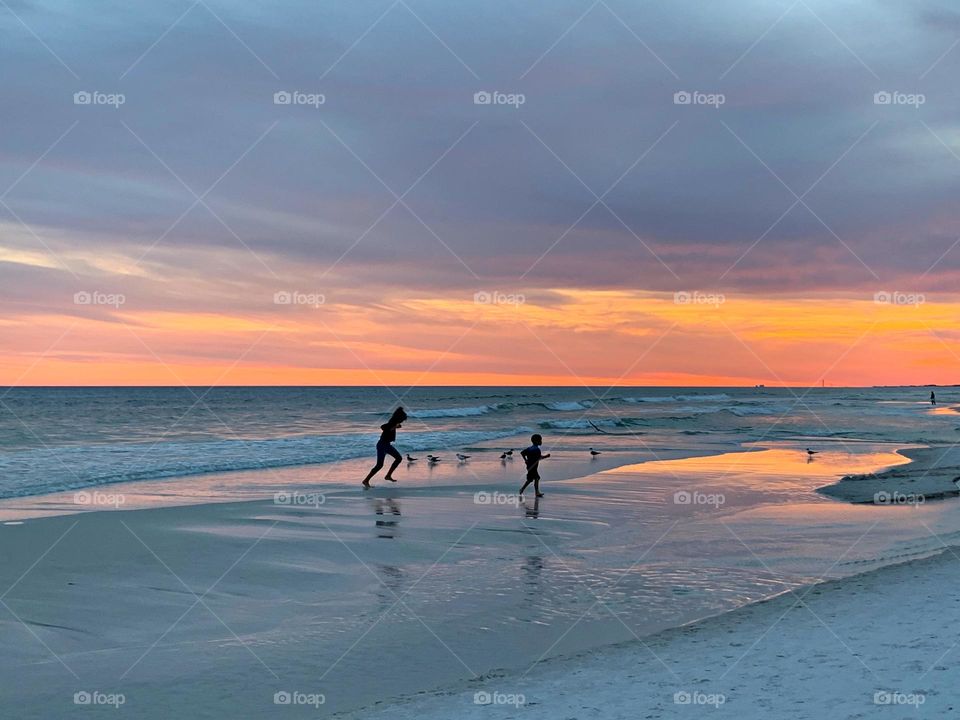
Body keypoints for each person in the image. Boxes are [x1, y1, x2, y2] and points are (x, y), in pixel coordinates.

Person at [362, 407, 407, 487]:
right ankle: (366, 480)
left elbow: (392, 426)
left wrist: (396, 426)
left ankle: (387, 476)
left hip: (386, 445)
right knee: (380, 465)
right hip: (383, 445)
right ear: (399, 418)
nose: (402, 421)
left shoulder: (394, 421)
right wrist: (393, 427)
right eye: (402, 420)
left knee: (397, 459)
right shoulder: (392, 422)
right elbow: (383, 427)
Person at [519, 433, 550, 498]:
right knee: (536, 478)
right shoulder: (537, 450)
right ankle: (536, 492)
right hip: (533, 467)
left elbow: (522, 453)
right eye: (540, 440)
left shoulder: (530, 448)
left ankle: (522, 489)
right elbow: (539, 458)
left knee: (531, 479)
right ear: (536, 441)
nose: (541, 442)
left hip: (530, 466)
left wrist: (525, 460)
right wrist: (546, 456)